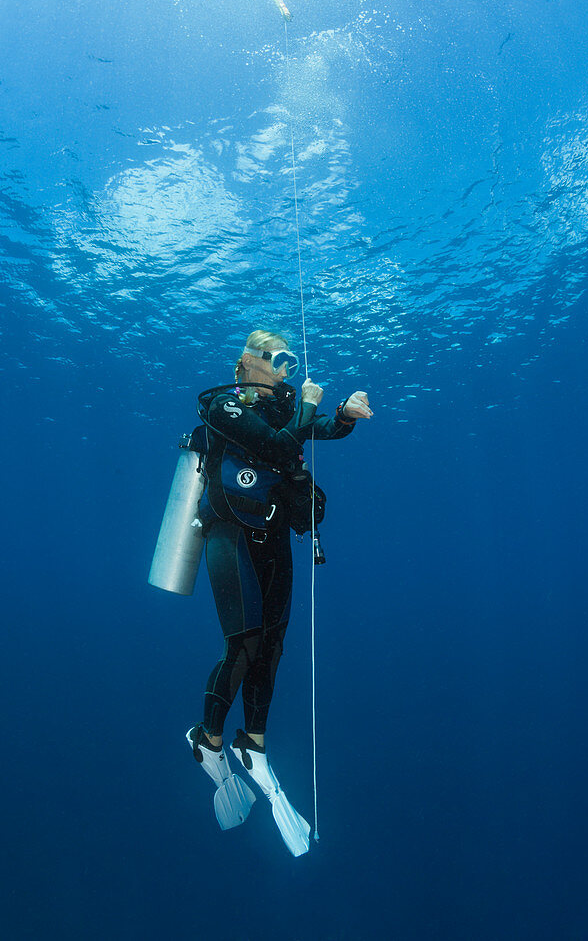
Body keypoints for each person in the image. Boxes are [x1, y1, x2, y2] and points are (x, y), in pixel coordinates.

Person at [186, 329, 372, 855]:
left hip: (270, 537)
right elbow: (279, 445)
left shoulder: (284, 404)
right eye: (280, 360)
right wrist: (309, 407)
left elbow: (319, 432)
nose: (288, 370)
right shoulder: (223, 406)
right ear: (250, 362)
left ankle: (254, 745)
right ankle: (210, 739)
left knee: (274, 642)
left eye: (291, 360)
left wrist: (344, 414)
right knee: (243, 642)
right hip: (229, 535)